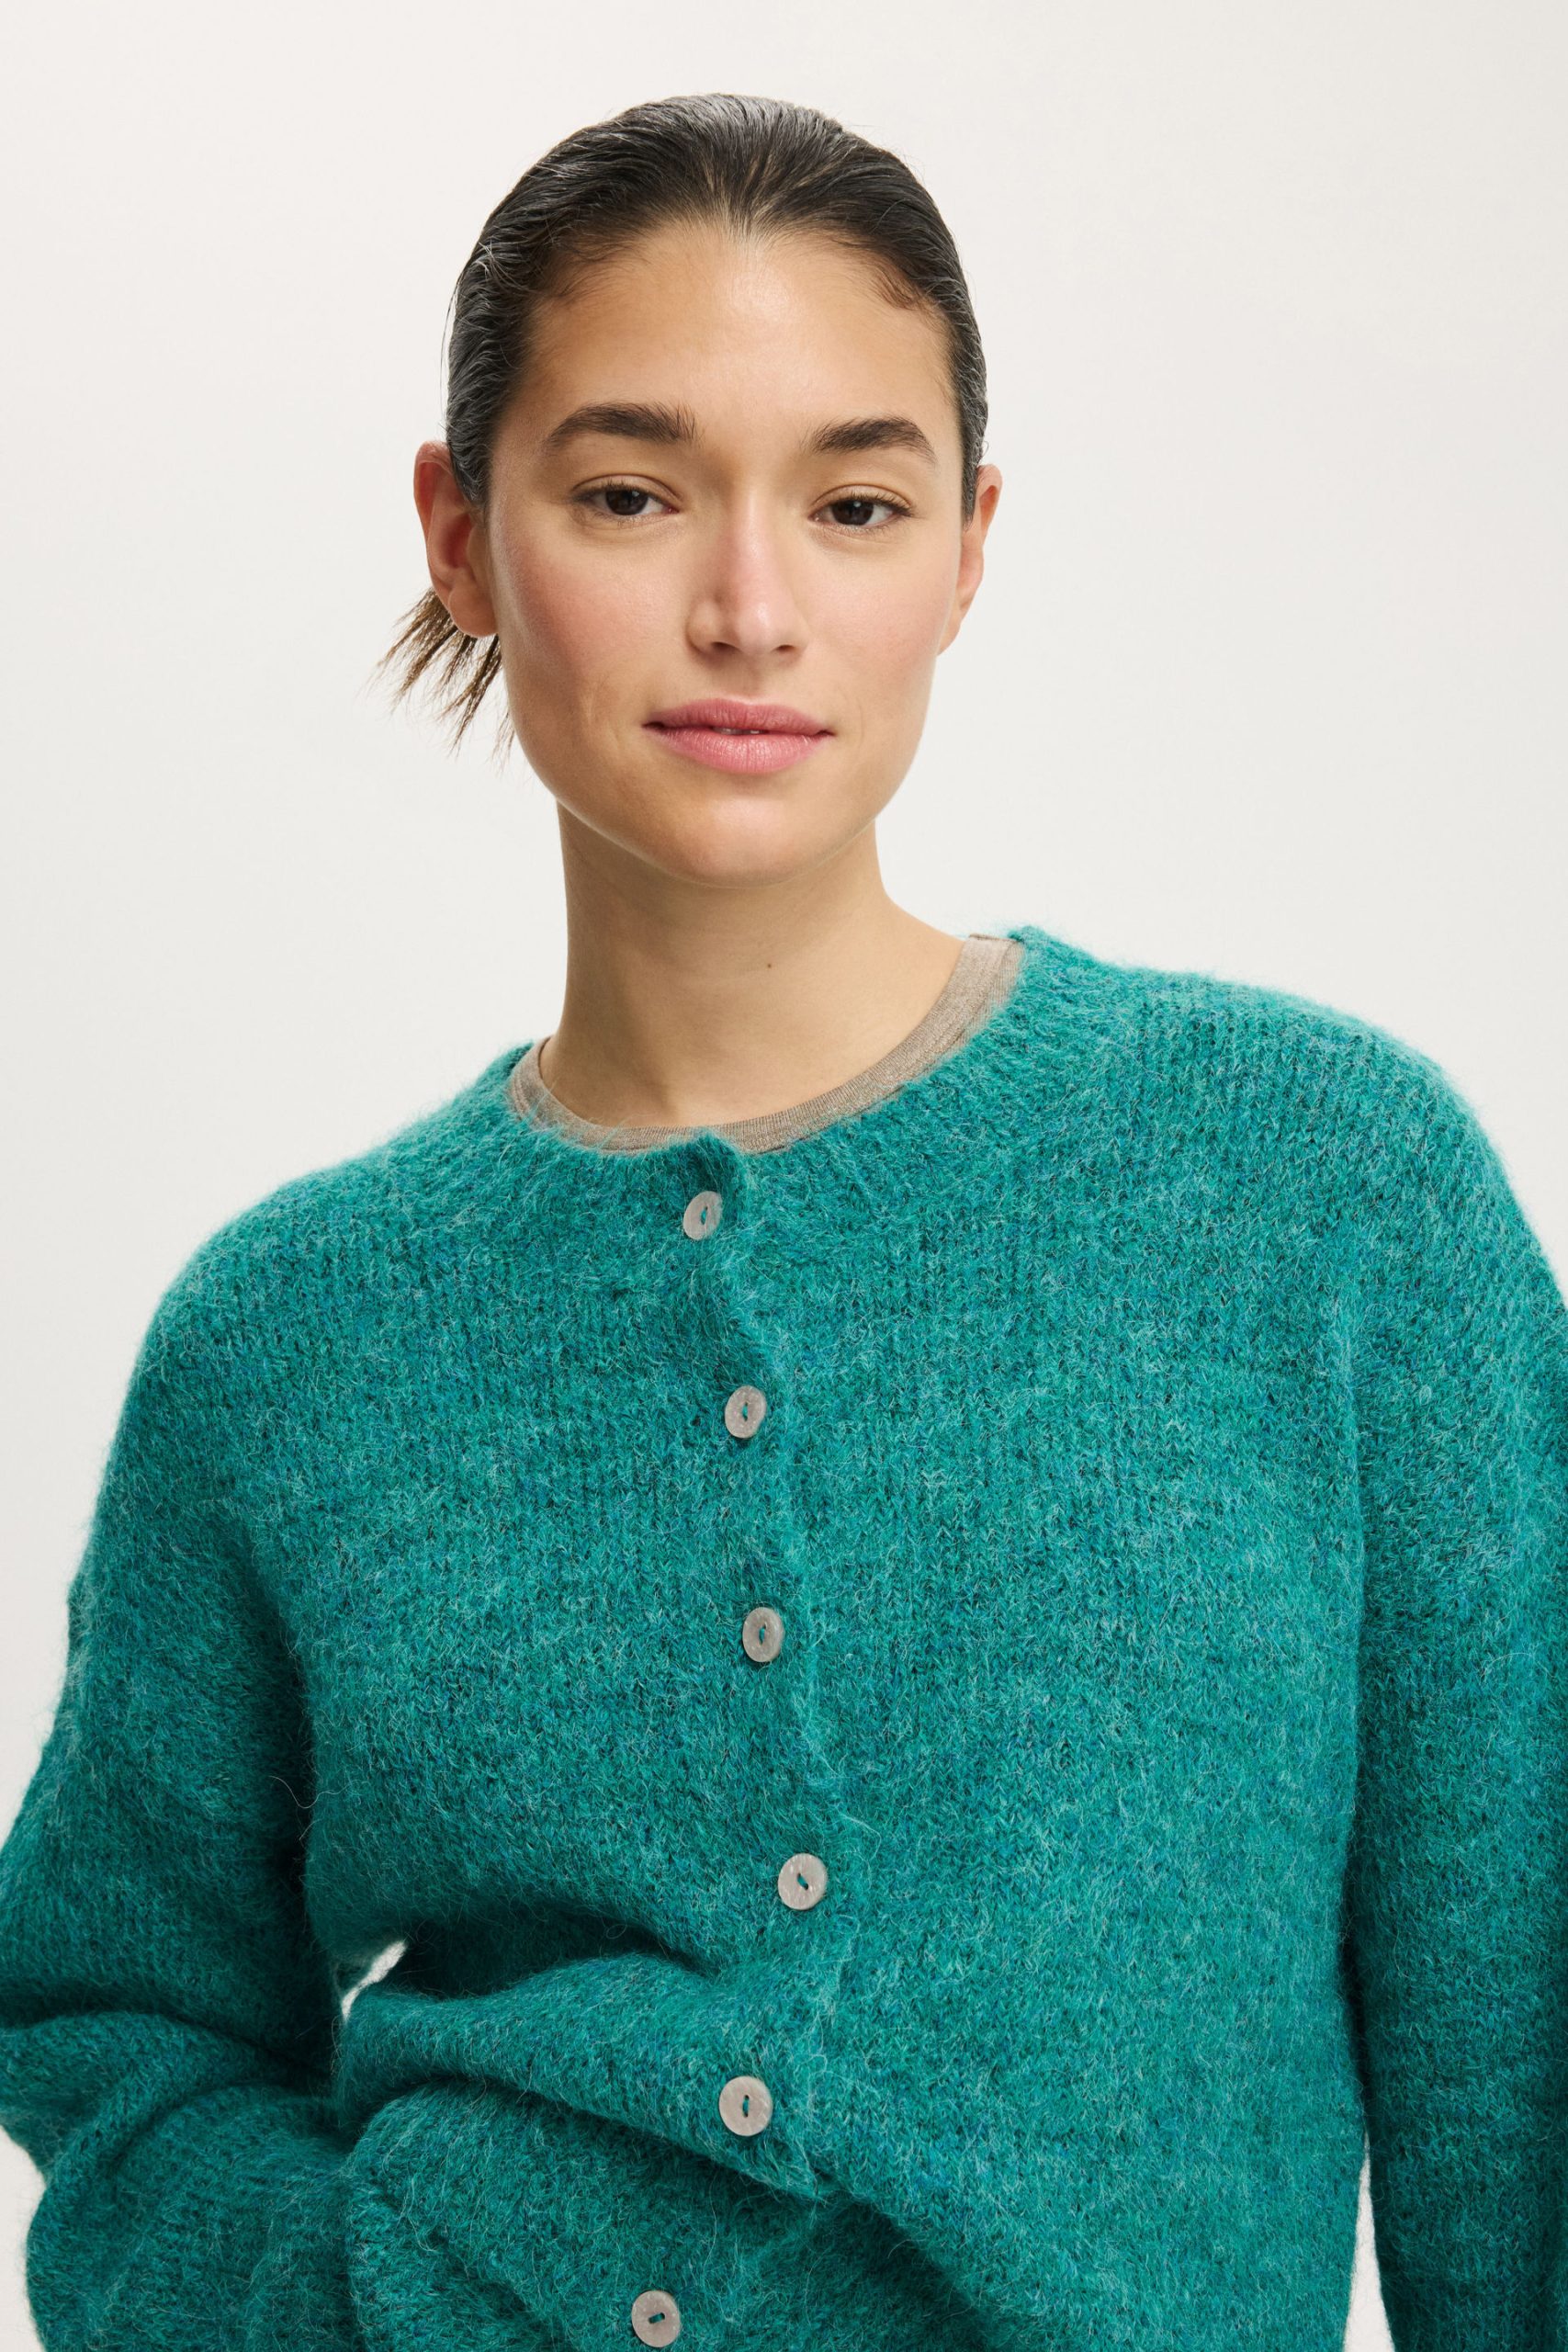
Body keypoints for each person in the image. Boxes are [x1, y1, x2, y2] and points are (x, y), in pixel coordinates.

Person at [1, 89, 1564, 2352]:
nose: (748, 609)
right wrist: (342, 2299)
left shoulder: (1318, 1193)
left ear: (966, 547)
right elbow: (113, 2011)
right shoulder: (291, 1336)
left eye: (852, 503)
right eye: (629, 495)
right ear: (460, 535)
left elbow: (1514, 2018)